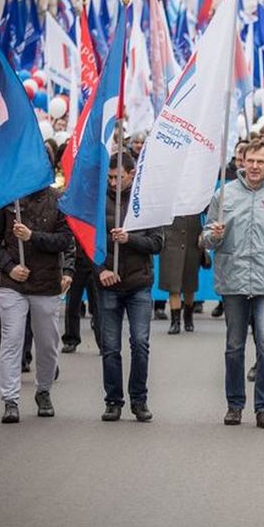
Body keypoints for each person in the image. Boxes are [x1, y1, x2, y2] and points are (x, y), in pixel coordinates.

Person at [201, 140, 264, 429]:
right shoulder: (224, 195)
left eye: (260, 161)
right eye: (250, 161)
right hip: (234, 281)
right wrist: (214, 235)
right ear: (242, 162)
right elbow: (205, 239)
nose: (254, 166)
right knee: (234, 345)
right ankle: (234, 404)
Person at [0, 186, 75, 424]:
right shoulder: (6, 197)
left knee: (47, 343)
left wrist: (32, 236)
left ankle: (43, 391)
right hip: (13, 283)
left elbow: (65, 239)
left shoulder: (58, 200)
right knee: (12, 340)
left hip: (46, 283)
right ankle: (10, 400)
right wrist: (10, 266)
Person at [95, 152, 164, 422]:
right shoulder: (99, 202)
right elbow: (89, 244)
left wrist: (129, 239)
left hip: (138, 284)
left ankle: (139, 399)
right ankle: (113, 400)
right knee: (110, 347)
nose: (113, 182)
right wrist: (100, 271)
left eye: (118, 177)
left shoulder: (145, 202)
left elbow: (157, 243)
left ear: (132, 173)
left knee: (140, 343)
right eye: (110, 178)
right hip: (109, 284)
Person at [158, 213, 204, 334]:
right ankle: (175, 322)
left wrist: (204, 234)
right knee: (173, 286)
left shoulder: (197, 196)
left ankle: (188, 316)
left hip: (192, 244)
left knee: (189, 286)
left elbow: (210, 211)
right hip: (171, 244)